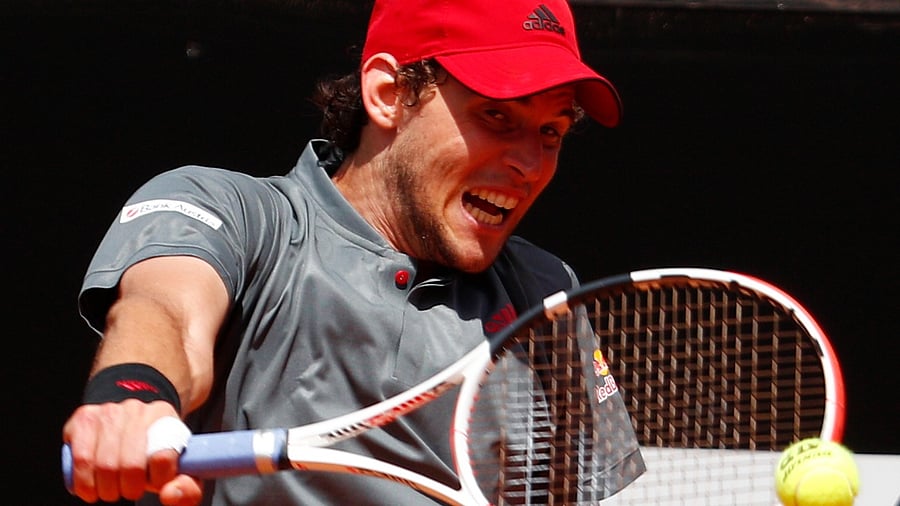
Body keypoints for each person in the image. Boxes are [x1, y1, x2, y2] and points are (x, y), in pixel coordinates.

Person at [61, 0, 644, 504]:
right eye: (497, 115)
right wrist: (135, 393)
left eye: (552, 132)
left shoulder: (545, 289)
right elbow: (166, 309)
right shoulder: (231, 211)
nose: (531, 163)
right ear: (389, 94)